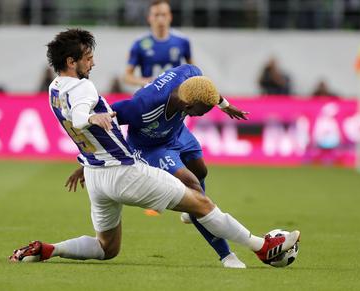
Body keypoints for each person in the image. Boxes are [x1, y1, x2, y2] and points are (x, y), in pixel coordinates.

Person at [9, 29, 300, 267]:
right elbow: (80, 116)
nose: (93, 63)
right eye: (88, 58)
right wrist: (91, 117)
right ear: (72, 61)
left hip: (96, 175)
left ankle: (49, 249)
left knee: (107, 247)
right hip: (123, 172)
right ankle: (263, 247)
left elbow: (77, 123)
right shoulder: (85, 89)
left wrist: (86, 159)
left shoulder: (54, 89)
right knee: (201, 202)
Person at [68, 64, 251, 268]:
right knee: (195, 189)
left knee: (201, 171)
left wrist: (224, 105)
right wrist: (90, 162)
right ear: (188, 106)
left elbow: (206, 91)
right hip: (150, 147)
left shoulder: (191, 75)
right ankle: (226, 255)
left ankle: (194, 213)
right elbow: (102, 124)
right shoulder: (141, 107)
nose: (203, 115)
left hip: (176, 132)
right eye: (202, 112)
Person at [124, 0, 193, 87]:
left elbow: (193, 70)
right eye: (156, 15)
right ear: (149, 18)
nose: (160, 19)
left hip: (174, 96)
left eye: (164, 15)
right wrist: (146, 82)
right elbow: (127, 76)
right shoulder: (139, 43)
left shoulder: (182, 41)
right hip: (149, 97)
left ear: (170, 17)